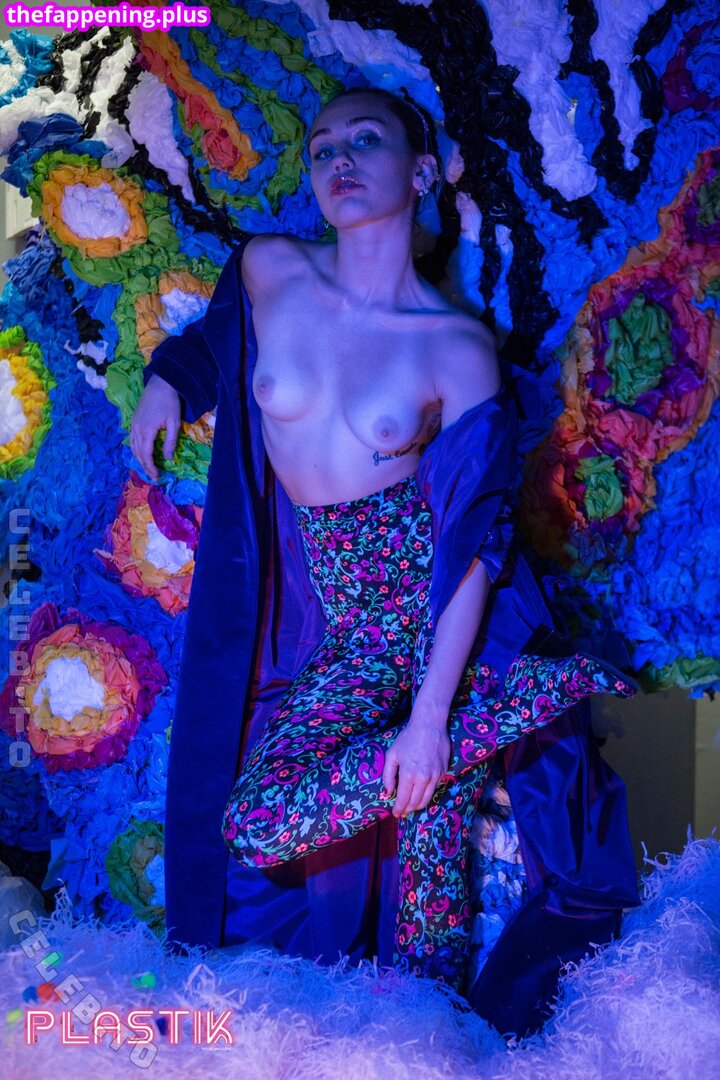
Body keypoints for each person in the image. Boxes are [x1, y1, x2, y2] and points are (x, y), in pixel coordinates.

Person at [130, 86, 639, 1019]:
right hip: (349, 633)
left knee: (425, 928)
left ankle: (481, 716)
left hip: (439, 628)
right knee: (258, 818)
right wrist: (170, 378)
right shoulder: (270, 270)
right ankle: (518, 707)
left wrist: (433, 717)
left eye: (366, 141)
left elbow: (475, 540)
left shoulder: (455, 345)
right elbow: (215, 343)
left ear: (423, 171)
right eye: (323, 147)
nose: (339, 160)